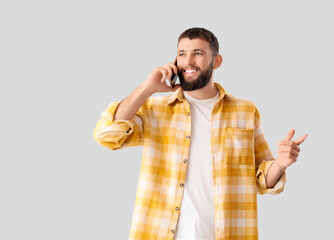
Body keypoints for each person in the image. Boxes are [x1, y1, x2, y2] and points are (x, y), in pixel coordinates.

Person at [93, 27, 308, 240]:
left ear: (216, 61)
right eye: (181, 54)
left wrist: (280, 164)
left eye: (198, 53)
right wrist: (146, 88)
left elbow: (262, 180)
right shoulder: (155, 109)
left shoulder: (245, 111)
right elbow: (107, 134)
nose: (188, 61)